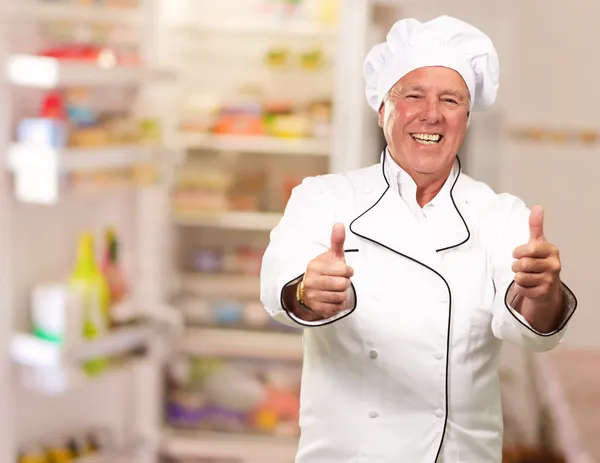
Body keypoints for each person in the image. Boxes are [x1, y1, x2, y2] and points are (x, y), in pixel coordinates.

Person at [260, 15, 577, 463]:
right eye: (412, 95)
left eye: (450, 99)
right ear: (382, 110)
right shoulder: (323, 197)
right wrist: (309, 292)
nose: (432, 114)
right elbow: (282, 290)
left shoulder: (501, 215)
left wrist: (543, 291)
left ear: (466, 117)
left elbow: (533, 328)